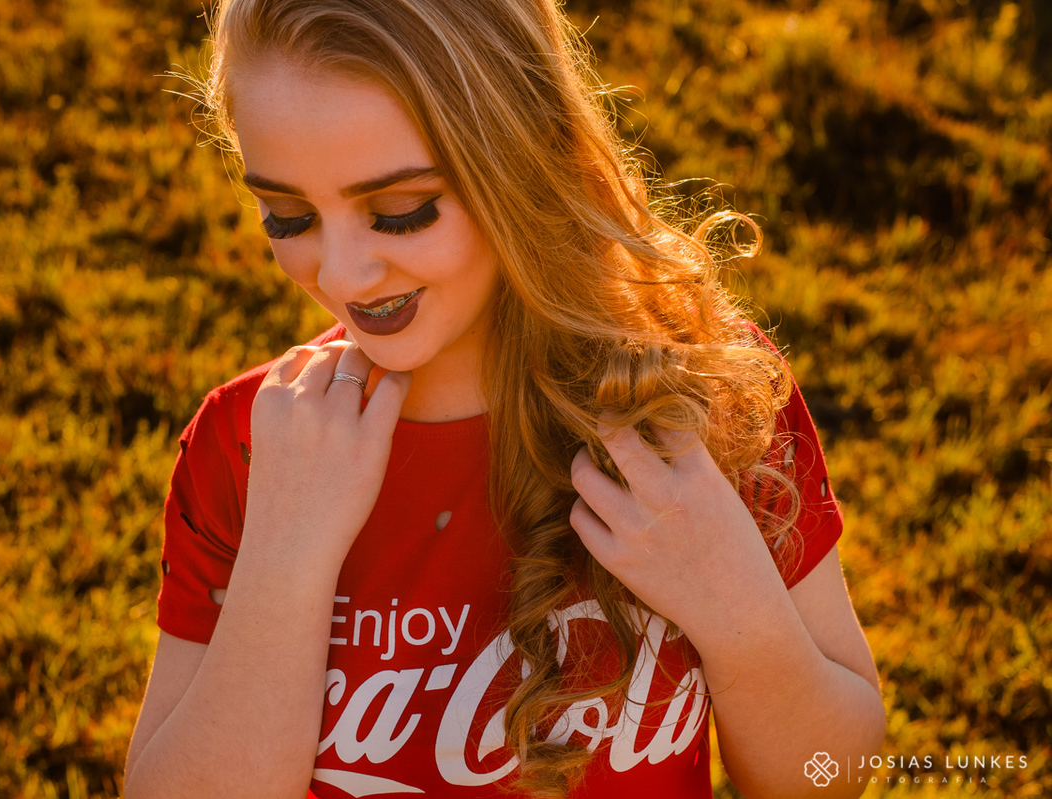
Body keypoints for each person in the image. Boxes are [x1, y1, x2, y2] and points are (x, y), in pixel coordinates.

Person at [123, 0, 886, 796]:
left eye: (399, 211)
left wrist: (738, 608)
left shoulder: (704, 393)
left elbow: (826, 777)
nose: (342, 276)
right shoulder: (253, 442)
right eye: (288, 216)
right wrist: (285, 558)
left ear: (523, 155)